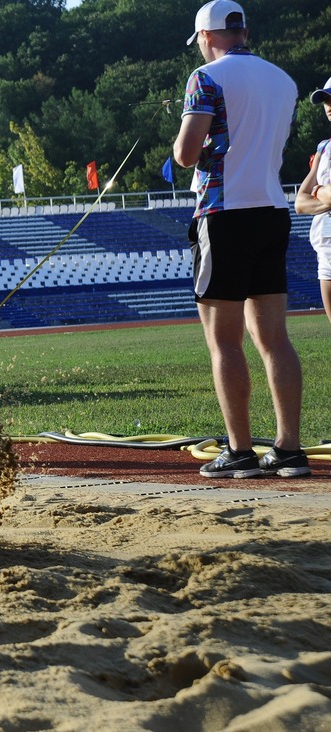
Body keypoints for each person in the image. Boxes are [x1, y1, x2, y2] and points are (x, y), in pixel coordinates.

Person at [172, 0, 309, 478]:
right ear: (242, 31)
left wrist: (186, 141)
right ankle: (289, 448)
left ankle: (240, 450)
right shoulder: (284, 80)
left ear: (207, 37)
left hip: (223, 214)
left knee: (223, 342)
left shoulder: (204, 78)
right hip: (271, 209)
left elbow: (187, 154)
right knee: (274, 339)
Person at [295, 76, 331, 324]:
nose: (328, 105)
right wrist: (323, 191)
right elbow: (299, 203)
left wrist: (315, 191)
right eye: (326, 100)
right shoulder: (324, 147)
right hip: (326, 249)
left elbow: (311, 196)